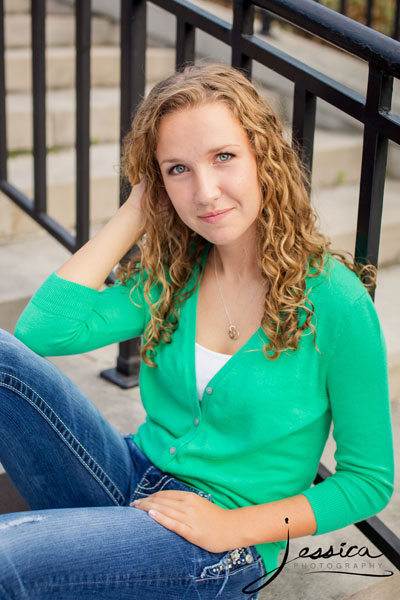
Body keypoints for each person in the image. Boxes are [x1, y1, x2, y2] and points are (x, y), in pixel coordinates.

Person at [0, 63, 394, 599]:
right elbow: (43, 333)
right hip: (135, 477)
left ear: (264, 157)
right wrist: (135, 211)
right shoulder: (178, 275)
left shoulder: (335, 301)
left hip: (222, 543)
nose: (205, 191)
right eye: (177, 169)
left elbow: (368, 481)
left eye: (224, 157)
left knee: (9, 559)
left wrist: (231, 528)